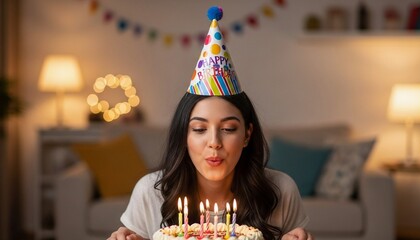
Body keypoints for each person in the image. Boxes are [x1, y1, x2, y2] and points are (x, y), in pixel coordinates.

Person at [108, 6, 313, 240]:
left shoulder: (281, 190)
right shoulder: (151, 192)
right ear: (184, 135)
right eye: (199, 129)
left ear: (247, 135)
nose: (214, 143)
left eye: (228, 129)